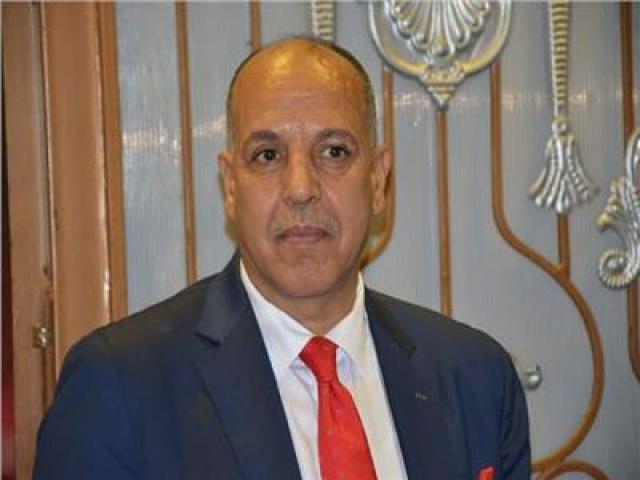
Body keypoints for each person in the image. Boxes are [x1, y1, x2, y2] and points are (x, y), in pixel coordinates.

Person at [34, 37, 530, 480]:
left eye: (333, 152)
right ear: (231, 187)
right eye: (267, 156)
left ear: (378, 180)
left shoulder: (475, 376)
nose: (300, 188)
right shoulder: (120, 386)